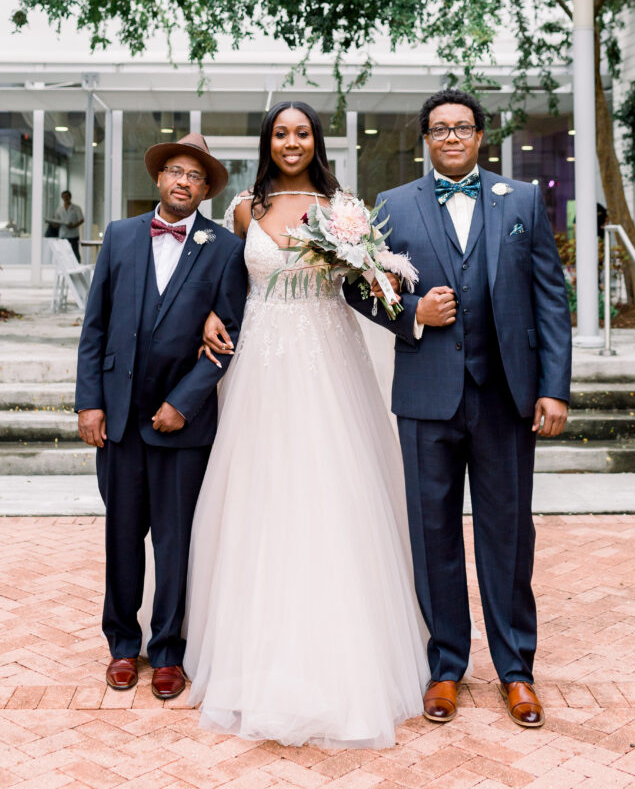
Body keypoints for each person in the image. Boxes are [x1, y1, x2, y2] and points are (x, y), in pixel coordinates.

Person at [183, 101, 429, 750]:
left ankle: (346, 658)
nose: (291, 142)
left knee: (332, 495)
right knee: (262, 499)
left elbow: (362, 286)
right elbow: (225, 282)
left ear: (315, 141)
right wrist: (209, 315)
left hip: (328, 362)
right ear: (267, 142)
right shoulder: (244, 207)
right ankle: (254, 654)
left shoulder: (342, 206)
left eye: (301, 133)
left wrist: (412, 312)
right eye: (280, 133)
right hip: (261, 367)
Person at [345, 89, 572, 729]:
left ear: (479, 136)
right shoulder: (392, 206)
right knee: (433, 534)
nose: (451, 136)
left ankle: (516, 670)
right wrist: (411, 314)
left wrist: (554, 387)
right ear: (426, 139)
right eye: (439, 128)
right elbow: (358, 287)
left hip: (505, 398)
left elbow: (551, 300)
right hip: (426, 397)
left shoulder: (522, 201)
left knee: (507, 534)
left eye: (462, 127)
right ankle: (445, 665)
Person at [75, 134, 247, 701]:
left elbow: (228, 337)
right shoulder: (122, 237)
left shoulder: (223, 248)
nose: (182, 182)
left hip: (182, 423)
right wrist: (89, 401)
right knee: (123, 538)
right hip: (119, 419)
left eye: (194, 177)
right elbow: (94, 326)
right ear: (158, 178)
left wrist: (184, 402)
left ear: (205, 189)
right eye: (175, 170)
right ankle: (124, 646)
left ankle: (169, 650)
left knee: (176, 543)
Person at [49, 190, 84, 260]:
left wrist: (73, 226)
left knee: (75, 252)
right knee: (63, 252)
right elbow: (57, 220)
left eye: (67, 196)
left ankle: (77, 266)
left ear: (70, 197)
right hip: (63, 234)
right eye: (64, 197)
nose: (66, 198)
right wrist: (54, 224)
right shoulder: (59, 209)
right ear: (62, 198)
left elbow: (81, 220)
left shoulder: (76, 208)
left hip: (73, 235)